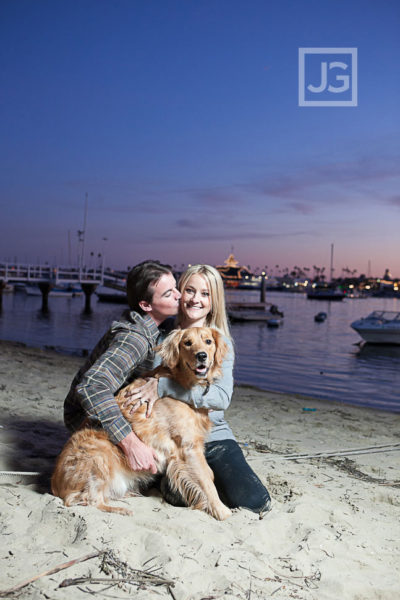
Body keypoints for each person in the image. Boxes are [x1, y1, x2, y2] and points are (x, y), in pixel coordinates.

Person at [125, 264, 271, 514]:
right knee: (178, 497)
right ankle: (180, 480)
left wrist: (165, 387)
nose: (196, 299)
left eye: (205, 294)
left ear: (214, 300)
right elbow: (143, 386)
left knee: (255, 501)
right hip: (172, 440)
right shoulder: (162, 338)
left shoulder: (220, 342)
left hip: (214, 436)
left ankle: (209, 480)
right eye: (190, 291)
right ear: (180, 293)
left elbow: (221, 398)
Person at [63, 259, 181, 474]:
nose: (178, 295)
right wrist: (130, 443)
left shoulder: (156, 324)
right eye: (168, 294)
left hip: (118, 406)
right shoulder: (134, 339)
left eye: (176, 287)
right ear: (146, 305)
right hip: (85, 418)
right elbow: (92, 386)